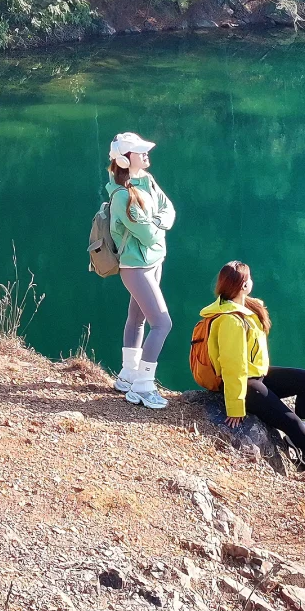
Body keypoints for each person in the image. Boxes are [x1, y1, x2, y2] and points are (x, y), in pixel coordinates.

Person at [199, 261, 305, 483]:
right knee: (290, 421)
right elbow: (233, 367)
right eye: (248, 278)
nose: (251, 280)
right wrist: (235, 407)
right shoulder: (231, 320)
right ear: (243, 285)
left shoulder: (246, 309)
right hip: (242, 384)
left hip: (255, 374)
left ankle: (301, 445)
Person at [107, 132, 176, 408]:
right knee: (162, 323)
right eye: (139, 151)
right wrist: (158, 225)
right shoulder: (122, 196)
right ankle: (143, 386)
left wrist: (157, 221)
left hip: (153, 261)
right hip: (136, 267)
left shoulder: (147, 180)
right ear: (125, 159)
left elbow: (168, 208)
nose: (146, 154)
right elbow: (147, 235)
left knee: (137, 319)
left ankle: (127, 375)